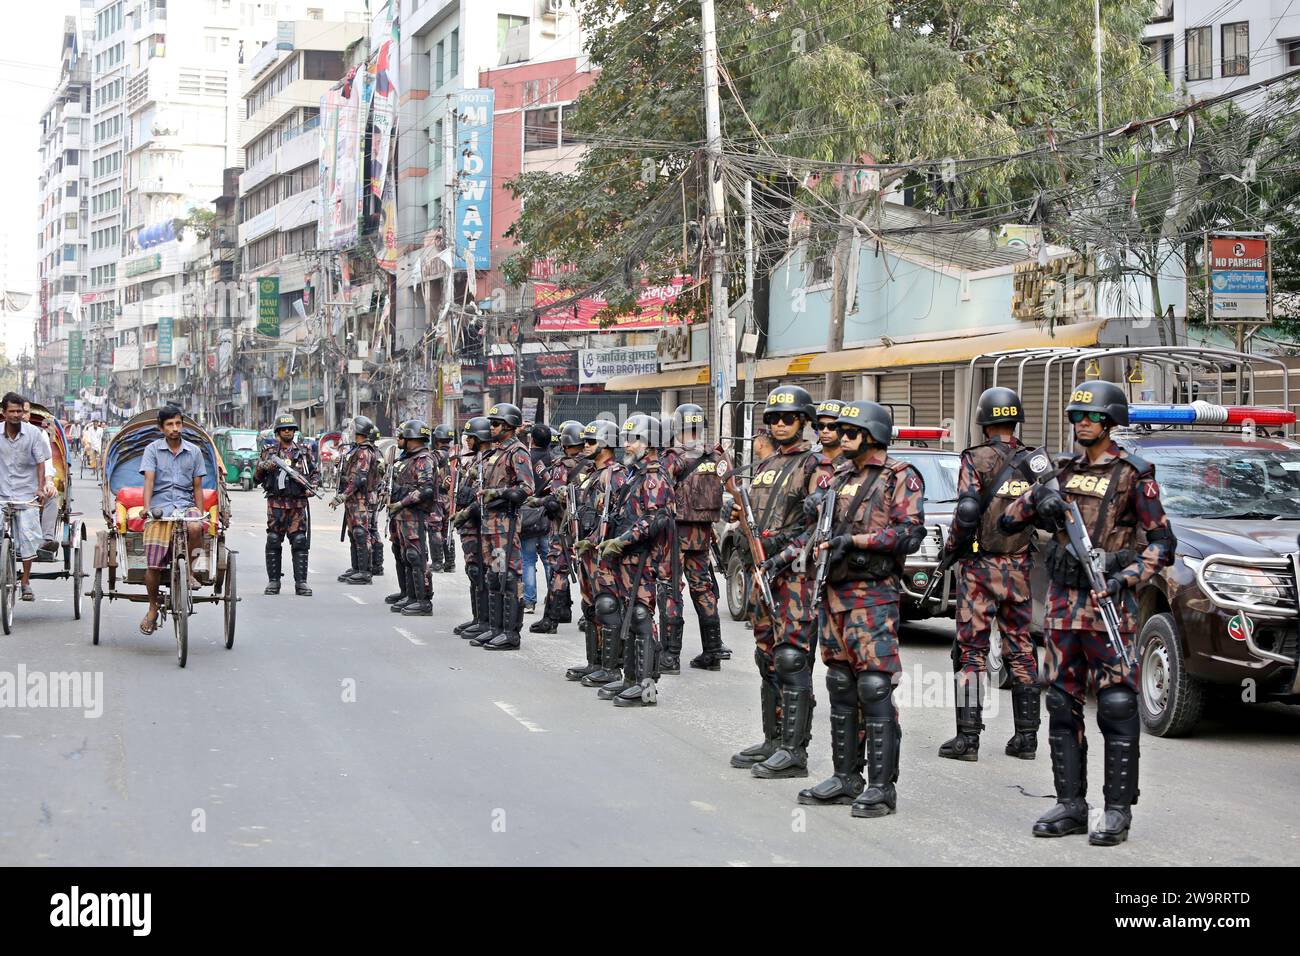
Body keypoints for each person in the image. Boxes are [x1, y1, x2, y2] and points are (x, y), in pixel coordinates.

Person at [1000, 380, 1174, 846]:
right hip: (1061, 605)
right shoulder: (1058, 472)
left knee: (1117, 703)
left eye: (1091, 417)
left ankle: (1117, 810)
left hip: (1108, 604)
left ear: (1111, 421)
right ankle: (1071, 805)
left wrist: (1124, 577)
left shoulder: (1135, 474)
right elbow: (1006, 520)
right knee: (1059, 700)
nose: (1082, 424)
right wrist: (1039, 499)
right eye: (1076, 416)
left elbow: (1163, 545)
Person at [777, 401, 926, 816]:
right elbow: (818, 529)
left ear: (872, 434)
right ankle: (847, 776)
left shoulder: (899, 477)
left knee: (874, 686)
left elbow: (910, 533)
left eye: (849, 432)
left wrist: (857, 543)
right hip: (835, 592)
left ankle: (881, 786)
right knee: (840, 684)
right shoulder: (839, 476)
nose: (839, 438)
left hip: (872, 595)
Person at [730, 385, 832, 779]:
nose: (780, 424)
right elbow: (753, 518)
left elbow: (815, 529)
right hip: (762, 573)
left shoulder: (814, 466)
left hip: (794, 577)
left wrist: (780, 556)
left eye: (788, 418)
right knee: (766, 656)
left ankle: (795, 750)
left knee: (792, 659)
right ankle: (773, 739)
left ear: (804, 421)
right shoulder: (767, 465)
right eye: (773, 418)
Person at [939, 387, 1040, 762]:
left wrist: (951, 550)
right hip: (1020, 567)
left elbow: (967, 512)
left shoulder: (975, 459)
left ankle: (967, 739)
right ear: (1015, 420)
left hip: (980, 569)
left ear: (983, 421)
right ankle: (1027, 739)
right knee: (1022, 649)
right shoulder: (1035, 461)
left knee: (972, 651)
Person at [592, 415, 674, 707]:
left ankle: (646, 682)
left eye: (634, 439)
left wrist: (622, 541)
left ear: (650, 442)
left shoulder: (653, 476)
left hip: (646, 558)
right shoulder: (634, 473)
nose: (627, 444)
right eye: (627, 438)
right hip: (628, 558)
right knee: (628, 613)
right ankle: (629, 677)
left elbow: (655, 519)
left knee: (641, 616)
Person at [660, 403, 727, 673]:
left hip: (675, 533)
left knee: (671, 589)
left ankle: (670, 657)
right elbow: (728, 487)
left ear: (678, 427)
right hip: (703, 532)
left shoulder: (672, 457)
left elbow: (661, 494)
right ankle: (712, 653)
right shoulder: (718, 455)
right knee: (703, 588)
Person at [139, 405, 210, 634]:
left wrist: (199, 512)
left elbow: (198, 487)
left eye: (178, 423)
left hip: (185, 504)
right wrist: (147, 508)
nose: (175, 428)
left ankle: (190, 572)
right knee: (152, 563)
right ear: (161, 428)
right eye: (170, 424)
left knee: (195, 526)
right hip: (160, 507)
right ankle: (152, 607)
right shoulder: (152, 450)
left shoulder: (194, 451)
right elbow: (148, 481)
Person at [469, 403, 534, 650]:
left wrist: (496, 492)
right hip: (490, 524)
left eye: (495, 424)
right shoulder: (496, 452)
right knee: (494, 576)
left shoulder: (518, 452)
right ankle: (495, 628)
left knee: (508, 576)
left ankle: (511, 633)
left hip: (505, 523)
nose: (491, 428)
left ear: (508, 426)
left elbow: (526, 489)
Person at [569, 420, 625, 683]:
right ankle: (595, 661)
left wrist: (592, 541)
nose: (585, 446)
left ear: (604, 444)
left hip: (604, 552)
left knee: (607, 605)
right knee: (589, 605)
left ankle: (612, 667)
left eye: (590, 442)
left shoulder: (616, 475)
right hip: (586, 552)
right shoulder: (591, 474)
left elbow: (615, 518)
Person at [529, 420, 587, 634]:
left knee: (558, 571)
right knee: (589, 572)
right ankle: (589, 617)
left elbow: (554, 497)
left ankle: (551, 619)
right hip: (588, 528)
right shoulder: (593, 465)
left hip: (563, 527)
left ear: (564, 444)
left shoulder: (562, 465)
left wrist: (541, 503)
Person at [255, 414, 318, 596]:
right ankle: (274, 582)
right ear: (278, 432)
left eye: (290, 428)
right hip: (276, 503)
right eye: (284, 429)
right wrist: (264, 466)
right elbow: (256, 478)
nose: (288, 431)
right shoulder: (269, 451)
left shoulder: (304, 451)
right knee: (273, 540)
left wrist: (311, 488)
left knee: (299, 541)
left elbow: (315, 474)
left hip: (298, 504)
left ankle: (301, 583)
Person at [0, 393, 52, 602]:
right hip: (2, 493)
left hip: (26, 494)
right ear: (3, 413)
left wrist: (40, 488)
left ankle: (25, 581)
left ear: (23, 412)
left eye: (19, 411)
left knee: (29, 538)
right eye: (11, 411)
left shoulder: (33, 433)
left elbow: (41, 462)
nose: (15, 415)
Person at [386, 420, 440, 616]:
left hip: (414, 515)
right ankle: (411, 595)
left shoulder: (424, 459)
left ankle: (423, 600)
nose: (398, 439)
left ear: (411, 438)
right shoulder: (407, 459)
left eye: (402, 436)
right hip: (402, 516)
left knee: (416, 556)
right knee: (405, 555)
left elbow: (425, 490)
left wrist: (402, 502)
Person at [450, 417, 494, 636]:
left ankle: (485, 621)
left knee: (480, 571)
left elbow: (482, 497)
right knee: (472, 570)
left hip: (479, 524)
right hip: (468, 524)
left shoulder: (489, 461)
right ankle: (478, 618)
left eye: (471, 437)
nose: (467, 441)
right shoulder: (475, 460)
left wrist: (466, 512)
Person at [331, 415, 381, 585]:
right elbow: (349, 472)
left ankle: (365, 572)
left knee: (361, 534)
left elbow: (360, 478)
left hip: (360, 497)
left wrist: (343, 495)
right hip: (353, 498)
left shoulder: (364, 451)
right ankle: (356, 568)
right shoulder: (356, 449)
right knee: (353, 533)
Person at [520, 422, 555, 614]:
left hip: (527, 513)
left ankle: (529, 601)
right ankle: (553, 597)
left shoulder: (525, 458)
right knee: (549, 558)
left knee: (528, 560)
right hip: (548, 513)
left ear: (531, 439)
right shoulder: (554, 459)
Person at [20, 402, 59, 559]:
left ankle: (46, 540)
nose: (21, 415)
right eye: (16, 411)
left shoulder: (38, 434)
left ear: (29, 414)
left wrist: (48, 482)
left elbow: (47, 463)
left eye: (24, 412)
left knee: (51, 496)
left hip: (33, 485)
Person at [431, 424, 457, 572]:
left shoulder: (436, 455)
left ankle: (437, 563)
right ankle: (450, 563)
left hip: (438, 497)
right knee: (448, 530)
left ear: (437, 439)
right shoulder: (455, 455)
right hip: (449, 498)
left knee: (435, 529)